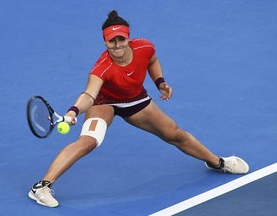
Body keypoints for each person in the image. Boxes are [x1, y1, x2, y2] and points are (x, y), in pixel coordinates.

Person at [28, 10, 249, 208]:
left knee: (176, 135)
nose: (117, 45)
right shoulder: (102, 68)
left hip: (135, 101)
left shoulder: (144, 47)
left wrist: (160, 81)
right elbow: (89, 95)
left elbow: (152, 61)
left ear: (128, 38)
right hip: (104, 103)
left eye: (121, 39)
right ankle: (41, 187)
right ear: (105, 43)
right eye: (111, 41)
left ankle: (218, 163)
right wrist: (73, 111)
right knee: (88, 142)